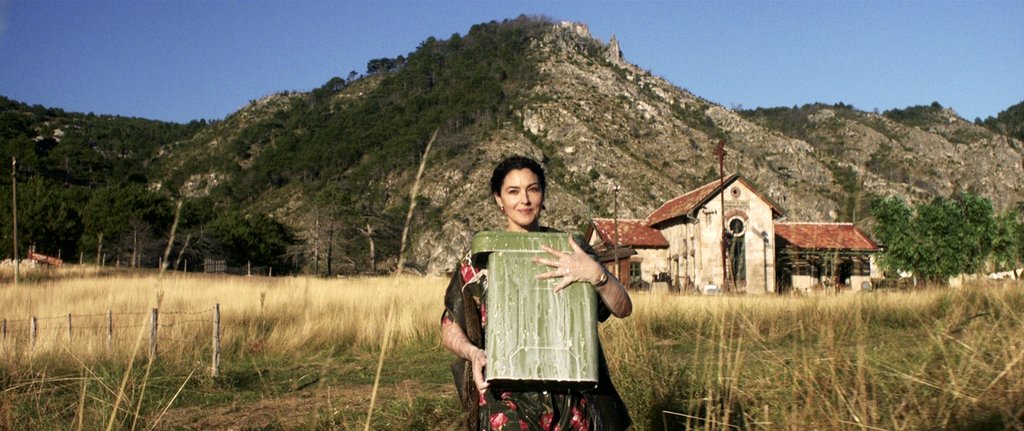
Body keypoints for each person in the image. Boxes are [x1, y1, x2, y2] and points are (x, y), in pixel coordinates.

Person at [441, 155, 633, 431]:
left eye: (533, 189)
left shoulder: (571, 250)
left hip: (570, 399)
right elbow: (449, 325)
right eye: (513, 191)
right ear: (499, 199)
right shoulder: (479, 259)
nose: (525, 200)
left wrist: (596, 275)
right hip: (505, 398)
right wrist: (473, 353)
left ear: (543, 194)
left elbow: (623, 308)